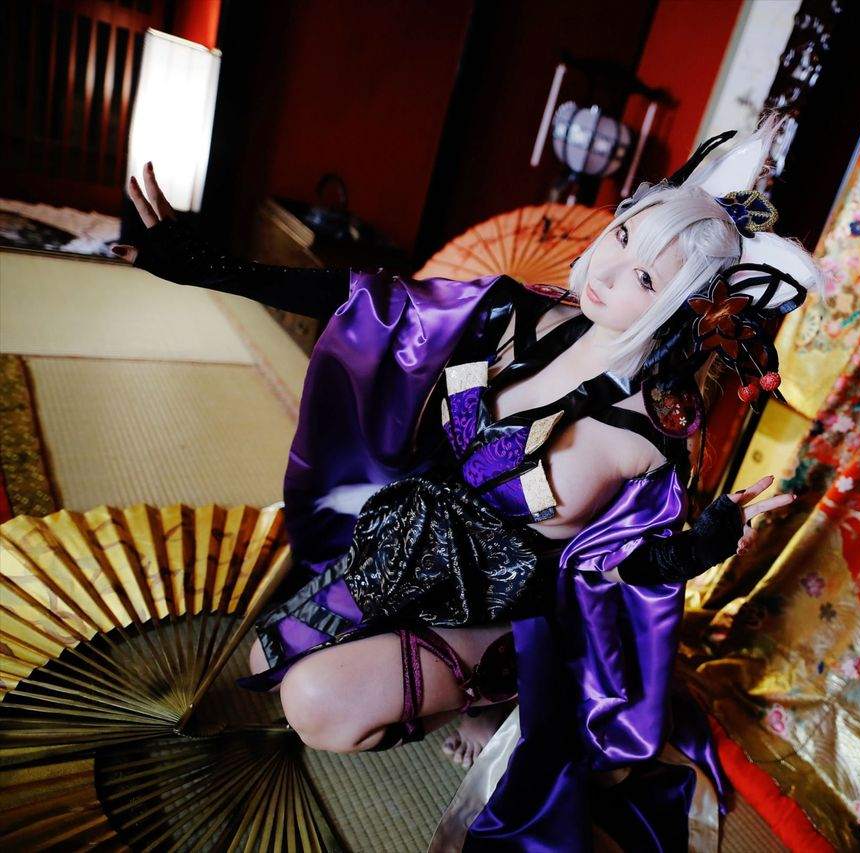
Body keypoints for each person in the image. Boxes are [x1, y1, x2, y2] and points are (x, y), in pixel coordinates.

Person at [114, 115, 818, 850]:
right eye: (621, 236)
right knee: (263, 660)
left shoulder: (652, 438)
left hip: (501, 613)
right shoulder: (516, 313)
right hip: (404, 548)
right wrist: (217, 271)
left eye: (646, 277)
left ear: (686, 305)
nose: (608, 274)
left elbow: (619, 577)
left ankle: (484, 702)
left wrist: (701, 547)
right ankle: (399, 659)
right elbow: (369, 302)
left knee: (313, 702)